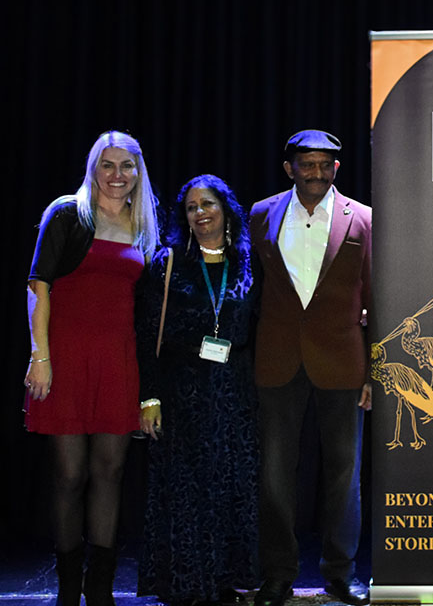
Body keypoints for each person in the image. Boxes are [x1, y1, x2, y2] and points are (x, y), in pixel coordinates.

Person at [24, 130, 159, 606]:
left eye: (127, 165)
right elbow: (38, 287)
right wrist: (40, 356)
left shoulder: (144, 224)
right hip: (64, 358)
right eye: (108, 164)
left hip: (118, 360)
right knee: (69, 475)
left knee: (111, 472)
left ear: (138, 172)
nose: (117, 175)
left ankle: (100, 588)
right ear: (93, 168)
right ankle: (68, 587)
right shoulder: (67, 213)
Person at [250, 130, 372, 606]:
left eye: (325, 165)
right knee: (275, 475)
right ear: (290, 168)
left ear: (336, 168)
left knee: (344, 474)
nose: (317, 173)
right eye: (307, 164)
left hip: (343, 362)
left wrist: (376, 371)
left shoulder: (363, 218)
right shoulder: (261, 214)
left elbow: (376, 293)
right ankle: (277, 574)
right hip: (277, 360)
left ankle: (341, 574)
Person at [136, 174, 260, 604]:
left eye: (208, 204)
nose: (200, 213)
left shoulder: (249, 263)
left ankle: (225, 580)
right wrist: (150, 397)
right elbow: (146, 333)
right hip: (181, 391)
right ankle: (186, 582)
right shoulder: (167, 262)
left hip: (234, 392)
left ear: (226, 209)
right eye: (191, 207)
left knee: (230, 485)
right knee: (186, 489)